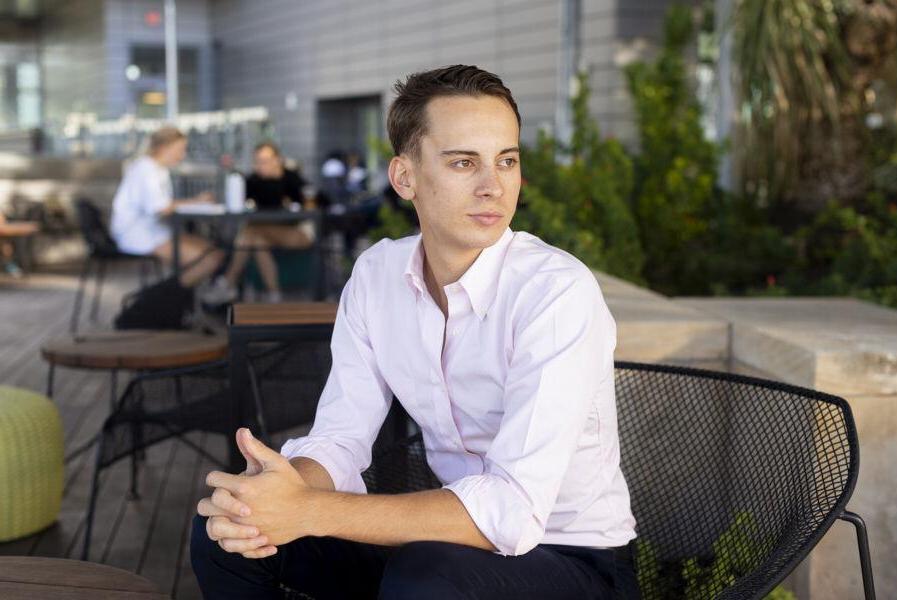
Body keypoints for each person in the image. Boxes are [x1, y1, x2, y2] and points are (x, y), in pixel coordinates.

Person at [191, 65, 639, 599]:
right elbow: (341, 436)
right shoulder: (379, 276)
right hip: (445, 549)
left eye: (507, 161)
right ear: (405, 178)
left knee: (424, 577)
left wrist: (309, 509)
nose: (492, 186)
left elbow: (513, 512)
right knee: (230, 531)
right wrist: (278, 493)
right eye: (463, 162)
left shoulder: (556, 293)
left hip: (573, 560)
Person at [203, 142, 316, 304]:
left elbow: (311, 203)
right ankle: (274, 295)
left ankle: (228, 282)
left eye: (266, 160)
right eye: (258, 161)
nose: (262, 165)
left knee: (251, 232)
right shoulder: (254, 181)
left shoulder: (292, 178)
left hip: (300, 232)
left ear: (278, 160)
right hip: (266, 233)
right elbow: (237, 201)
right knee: (256, 241)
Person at [110, 126, 223, 288]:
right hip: (138, 235)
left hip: (154, 231)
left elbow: (164, 205)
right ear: (163, 148)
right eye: (179, 149)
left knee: (214, 252)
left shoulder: (159, 170)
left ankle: (179, 300)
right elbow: (161, 207)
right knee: (209, 259)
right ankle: (164, 300)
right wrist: (197, 202)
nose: (182, 155)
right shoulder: (145, 169)